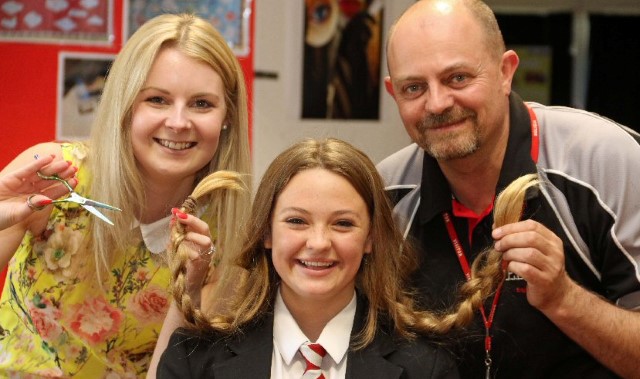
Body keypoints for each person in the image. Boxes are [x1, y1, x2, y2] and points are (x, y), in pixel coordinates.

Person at [378, 0, 640, 378]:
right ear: (393, 92)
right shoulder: (387, 193)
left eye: (458, 78)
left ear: (505, 71)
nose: (436, 103)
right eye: (414, 87)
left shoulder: (606, 161)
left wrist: (564, 299)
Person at [0, 13, 251, 378]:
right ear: (126, 103)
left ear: (226, 116)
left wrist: (192, 286)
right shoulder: (58, 177)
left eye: (201, 104)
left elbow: (169, 372)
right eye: (158, 100)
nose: (179, 122)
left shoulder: (224, 239)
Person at [157, 138, 461, 378]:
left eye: (343, 224)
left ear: (370, 238)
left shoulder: (426, 366)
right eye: (297, 221)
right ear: (266, 232)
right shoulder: (193, 360)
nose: (318, 243)